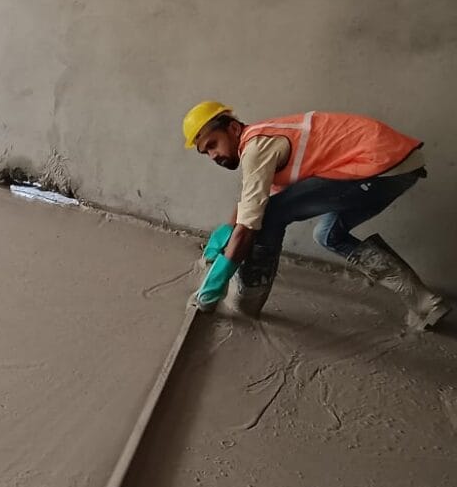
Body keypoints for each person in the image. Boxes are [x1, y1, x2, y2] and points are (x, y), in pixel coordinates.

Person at [183, 100, 449, 329]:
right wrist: (220, 239)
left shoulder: (256, 148)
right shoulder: (262, 142)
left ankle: (246, 304)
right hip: (400, 168)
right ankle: (425, 302)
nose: (213, 155)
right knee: (328, 235)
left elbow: (250, 225)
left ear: (233, 128)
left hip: (378, 164)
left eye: (213, 144)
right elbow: (250, 202)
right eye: (206, 152)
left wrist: (215, 283)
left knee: (271, 216)